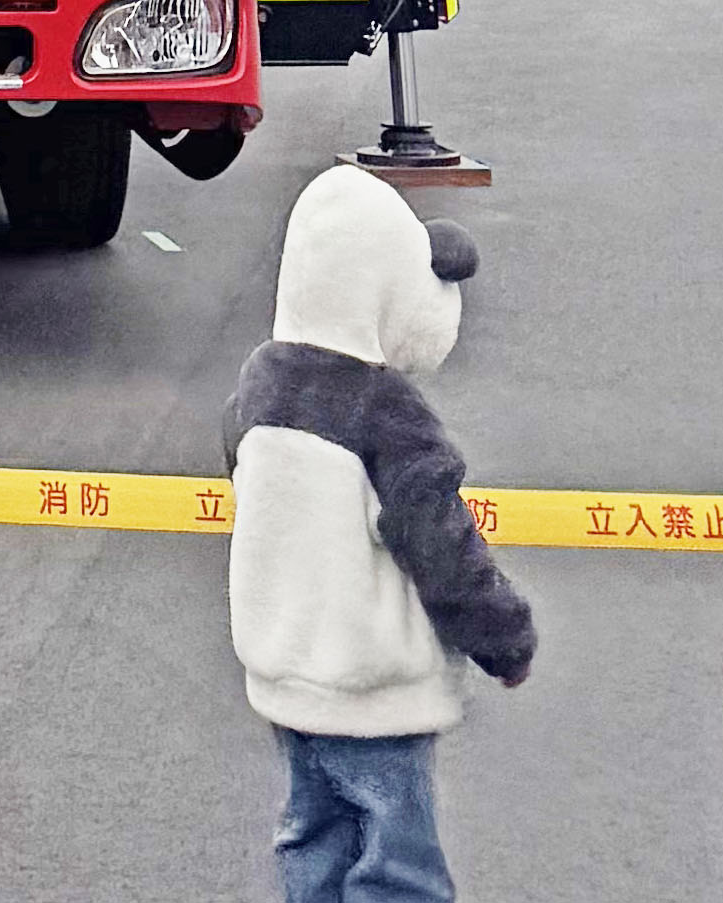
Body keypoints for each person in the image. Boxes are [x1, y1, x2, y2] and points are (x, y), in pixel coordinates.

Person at [225, 164, 537, 903]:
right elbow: (440, 546)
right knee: (398, 866)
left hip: (284, 672)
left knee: (311, 838)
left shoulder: (257, 387)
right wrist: (505, 636)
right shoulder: (385, 412)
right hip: (372, 689)